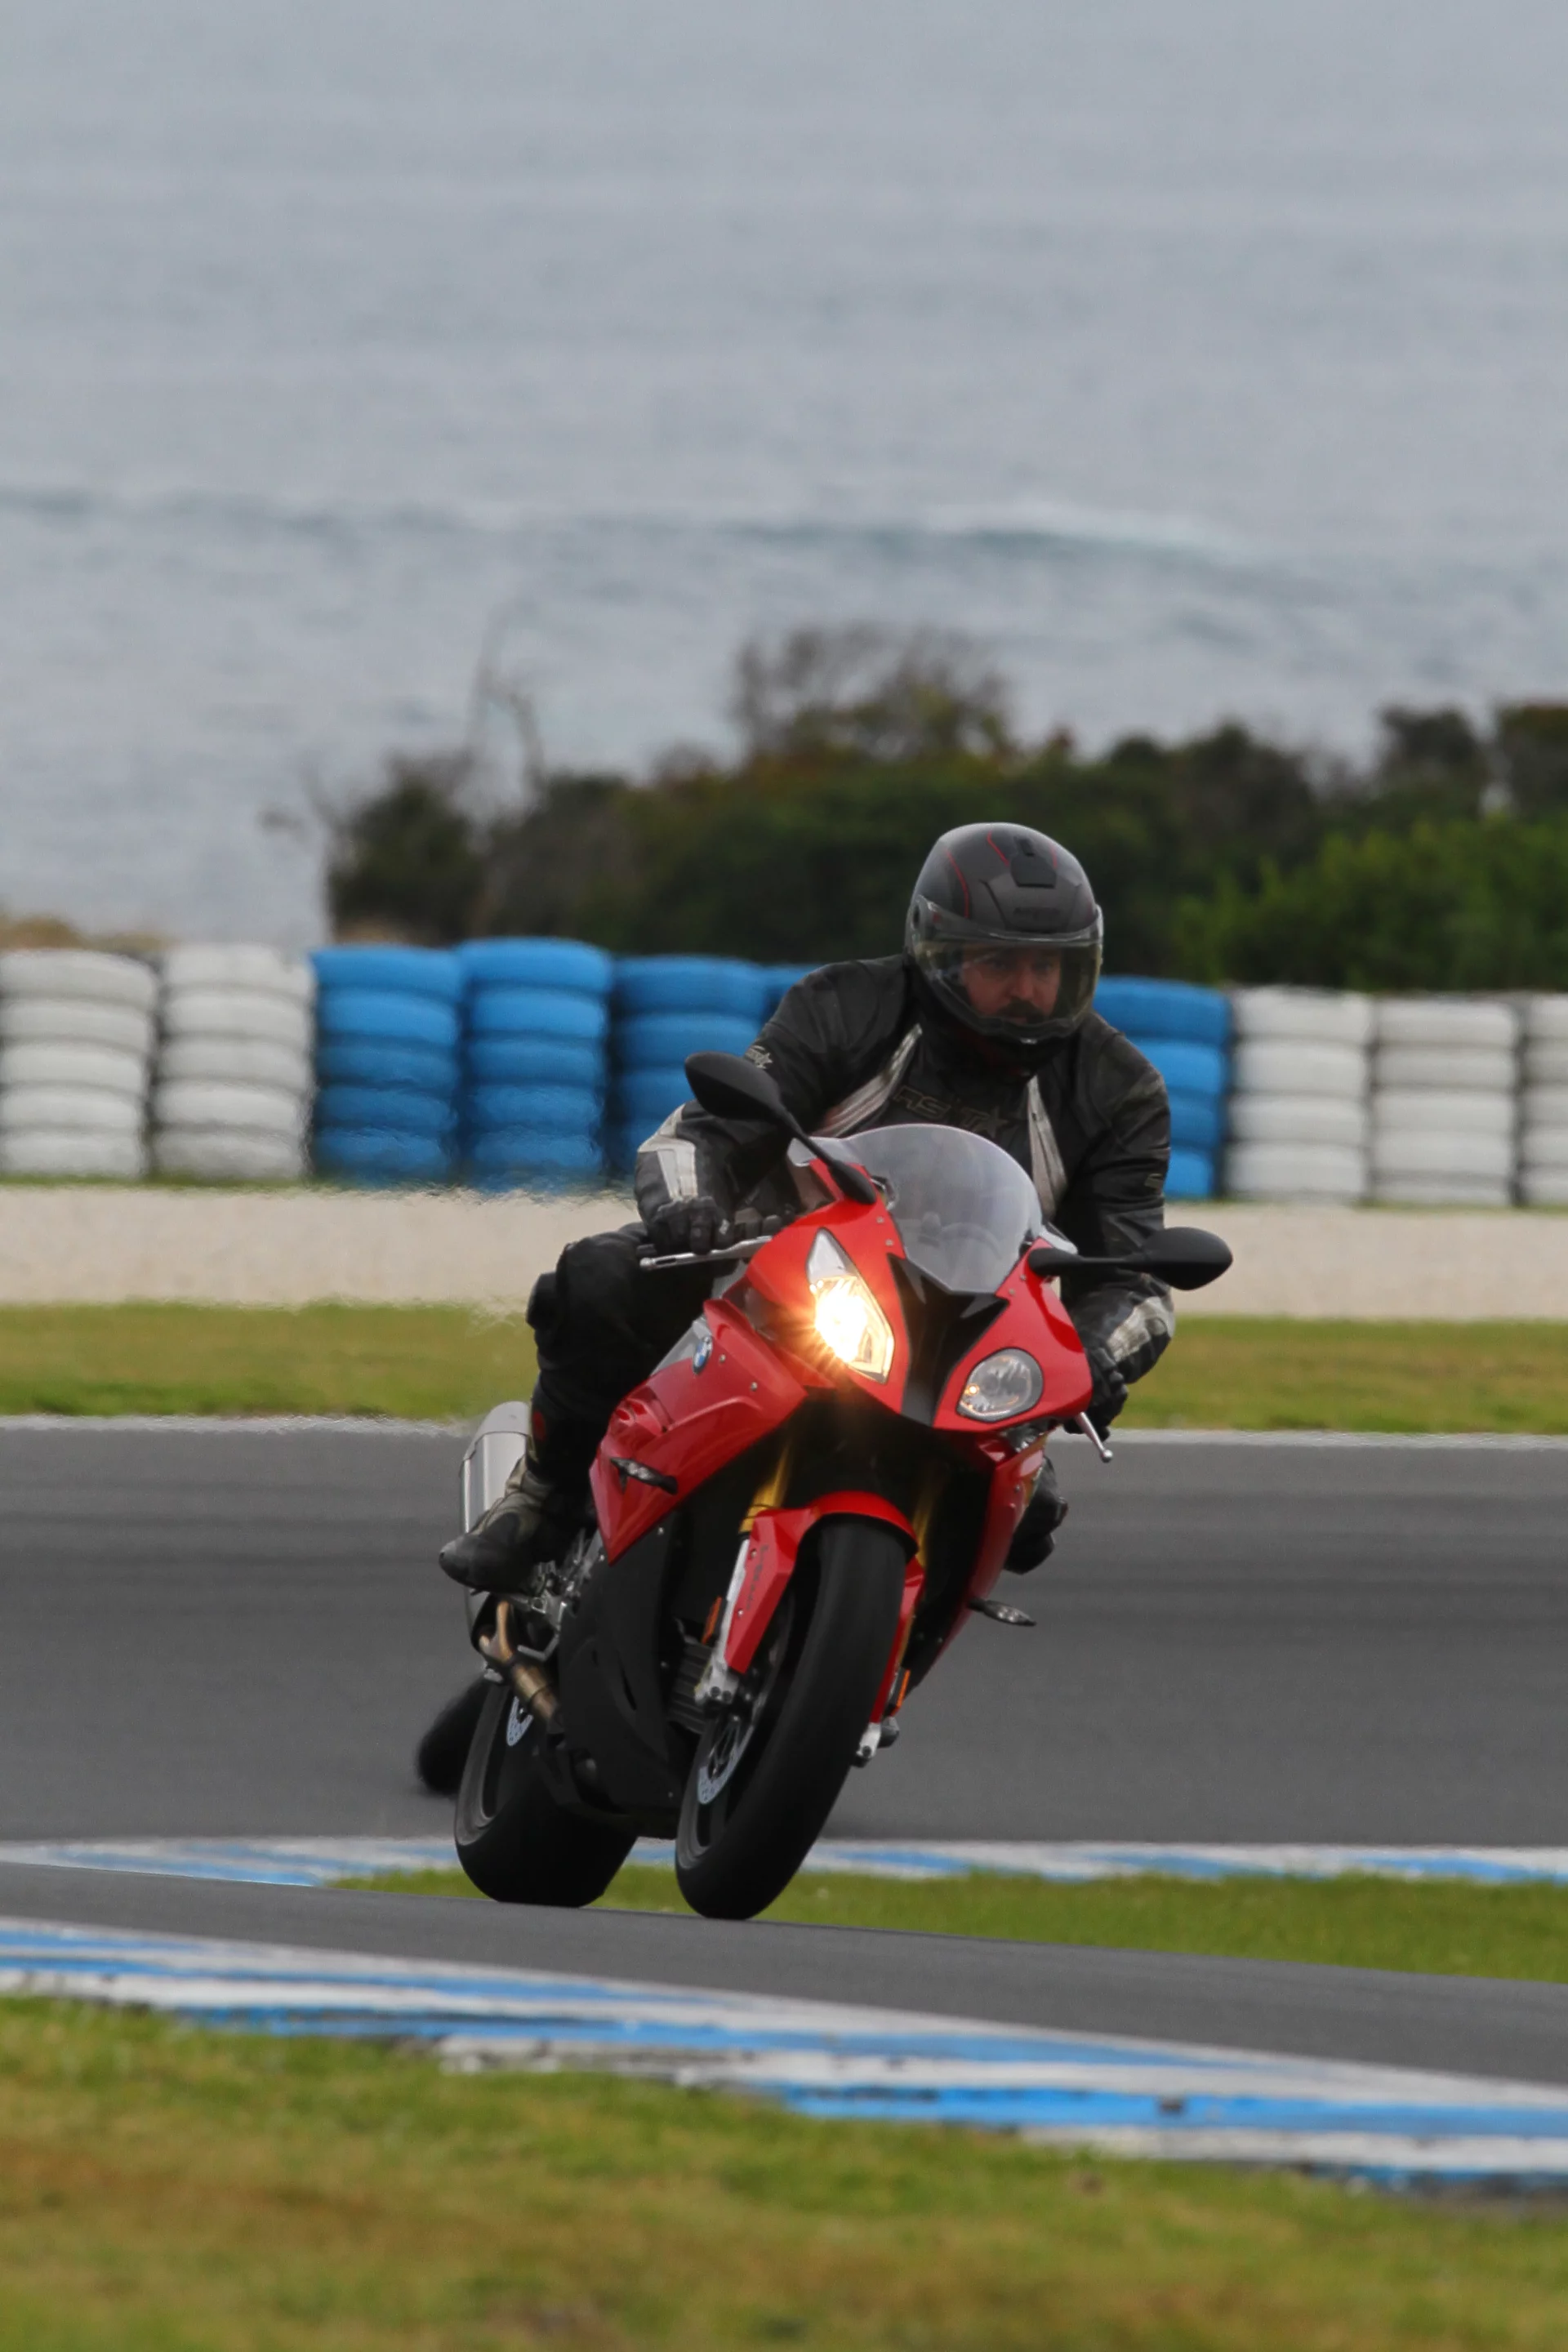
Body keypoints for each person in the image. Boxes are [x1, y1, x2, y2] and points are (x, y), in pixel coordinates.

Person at [440, 821, 1173, 1591]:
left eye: (1048, 968)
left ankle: (880, 1669)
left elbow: (1136, 1278)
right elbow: (700, 1134)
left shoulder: (1118, 1089)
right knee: (597, 1280)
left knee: (1028, 1514)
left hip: (969, 1342)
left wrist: (1094, 1355)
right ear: (941, 954)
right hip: (781, 1281)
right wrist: (691, 1208)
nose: (1028, 991)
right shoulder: (847, 1005)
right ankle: (543, 1498)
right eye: (1000, 964)